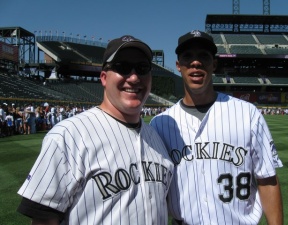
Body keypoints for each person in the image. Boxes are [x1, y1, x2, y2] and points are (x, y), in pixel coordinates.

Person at [17, 35, 174, 225]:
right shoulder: (67, 135)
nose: (134, 77)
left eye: (142, 69)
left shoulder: (156, 138)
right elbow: (43, 219)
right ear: (104, 78)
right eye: (123, 67)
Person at [150, 30, 283, 225]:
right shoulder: (160, 123)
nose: (196, 62)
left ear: (214, 64)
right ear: (179, 66)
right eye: (188, 57)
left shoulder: (248, 114)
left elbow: (267, 179)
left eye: (203, 56)